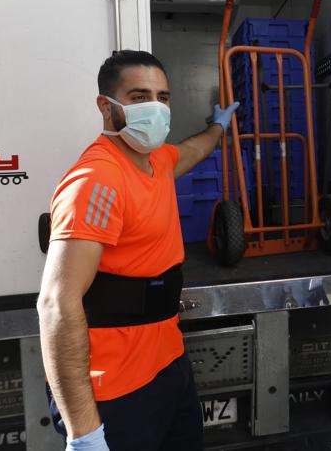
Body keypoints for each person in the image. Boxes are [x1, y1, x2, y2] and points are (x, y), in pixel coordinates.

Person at [37, 50, 238, 451]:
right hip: (115, 389)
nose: (155, 108)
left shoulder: (156, 161)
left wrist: (217, 128)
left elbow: (193, 151)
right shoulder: (97, 181)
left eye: (162, 98)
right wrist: (85, 433)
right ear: (106, 107)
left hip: (168, 365)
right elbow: (56, 305)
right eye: (139, 96)